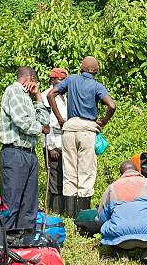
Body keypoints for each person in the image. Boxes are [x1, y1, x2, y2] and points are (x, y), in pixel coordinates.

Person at [48, 56, 116, 218]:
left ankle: (70, 216)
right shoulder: (96, 86)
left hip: (69, 128)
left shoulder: (71, 80)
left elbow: (52, 94)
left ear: (81, 69)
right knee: (86, 172)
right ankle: (83, 215)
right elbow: (112, 105)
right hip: (87, 129)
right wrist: (103, 122)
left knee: (70, 171)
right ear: (96, 71)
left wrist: (60, 119)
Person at [0, 66, 50, 231]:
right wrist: (41, 129)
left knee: (29, 204)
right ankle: (6, 243)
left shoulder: (28, 97)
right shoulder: (14, 91)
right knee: (11, 203)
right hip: (15, 153)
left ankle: (25, 242)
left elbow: (45, 120)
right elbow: (23, 123)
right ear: (31, 78)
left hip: (29, 154)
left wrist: (38, 96)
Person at [98, 161, 147, 263]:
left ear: (121, 174)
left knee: (106, 226)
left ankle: (121, 252)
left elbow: (102, 217)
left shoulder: (112, 187)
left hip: (121, 240)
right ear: (138, 171)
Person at [42, 68, 68, 214]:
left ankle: (61, 209)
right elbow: (45, 123)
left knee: (63, 174)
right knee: (54, 175)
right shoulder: (46, 96)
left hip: (64, 141)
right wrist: (50, 146)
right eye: (60, 81)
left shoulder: (64, 97)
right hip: (52, 141)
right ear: (53, 80)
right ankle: (55, 210)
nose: (63, 84)